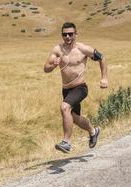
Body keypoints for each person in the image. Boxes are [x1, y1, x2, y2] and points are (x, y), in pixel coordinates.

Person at [43, 22, 108, 153]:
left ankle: (66, 142)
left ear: (75, 34)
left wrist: (104, 78)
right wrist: (54, 65)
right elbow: (46, 69)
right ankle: (93, 131)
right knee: (75, 118)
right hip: (66, 89)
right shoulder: (57, 50)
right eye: (64, 34)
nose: (67, 37)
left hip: (80, 88)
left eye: (70, 34)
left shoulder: (83, 49)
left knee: (64, 107)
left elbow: (102, 58)